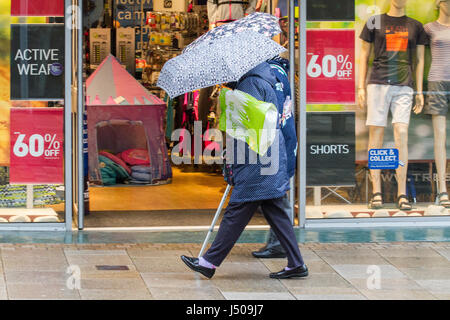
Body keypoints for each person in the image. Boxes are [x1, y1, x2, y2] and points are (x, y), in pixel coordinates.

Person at [180, 61, 307, 279]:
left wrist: (232, 162)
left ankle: (209, 262)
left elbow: (243, 130)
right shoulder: (264, 79)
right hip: (268, 158)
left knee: (236, 210)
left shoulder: (249, 85)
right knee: (275, 211)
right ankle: (296, 264)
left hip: (255, 162)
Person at [358, 0, 427, 211]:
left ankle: (402, 193)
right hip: (378, 83)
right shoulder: (373, 22)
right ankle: (376, 190)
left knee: (401, 134)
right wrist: (360, 87)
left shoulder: (415, 26)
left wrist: (420, 91)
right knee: (375, 135)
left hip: (404, 85)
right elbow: (364, 55)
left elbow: (420, 60)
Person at [252, 56, 296, 259]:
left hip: (275, 141)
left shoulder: (270, 75)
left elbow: (269, 111)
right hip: (280, 139)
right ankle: (280, 244)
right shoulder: (276, 71)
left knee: (277, 196)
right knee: (275, 195)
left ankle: (282, 245)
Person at [421, 0, 450, 207]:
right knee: (440, 137)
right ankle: (442, 190)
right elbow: (420, 60)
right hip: (437, 81)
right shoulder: (429, 28)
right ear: (439, 4)